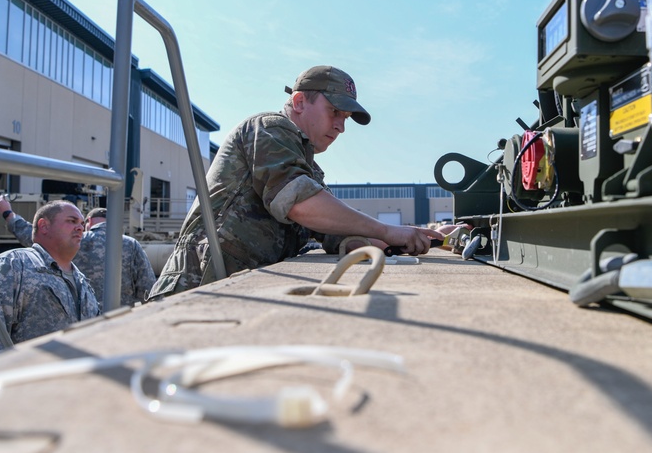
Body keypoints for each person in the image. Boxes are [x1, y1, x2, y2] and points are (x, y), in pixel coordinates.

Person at [150, 65, 445, 298]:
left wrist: (417, 237)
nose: (341, 127)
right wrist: (386, 230)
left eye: (346, 118)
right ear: (300, 101)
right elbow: (300, 205)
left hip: (234, 287)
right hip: (197, 284)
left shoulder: (306, 167)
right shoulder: (269, 129)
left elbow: (332, 230)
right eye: (335, 112)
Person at [0, 200, 100, 358]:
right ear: (44, 226)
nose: (80, 228)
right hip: (26, 377)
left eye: (82, 223)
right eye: (71, 221)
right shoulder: (12, 265)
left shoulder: (82, 282)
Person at [0, 197, 156, 307]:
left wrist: (8, 213)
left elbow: (31, 234)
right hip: (119, 322)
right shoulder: (130, 244)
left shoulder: (74, 240)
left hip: (78, 322)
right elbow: (148, 290)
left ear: (88, 222)